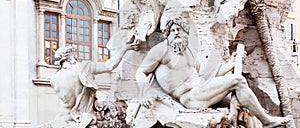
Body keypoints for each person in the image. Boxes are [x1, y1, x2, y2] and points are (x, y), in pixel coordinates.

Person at [136, 16, 291, 127]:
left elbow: (208, 74)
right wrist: (143, 93)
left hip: (202, 88)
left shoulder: (190, 51)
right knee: (237, 81)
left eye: (180, 30)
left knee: (244, 104)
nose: (176, 33)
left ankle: (261, 119)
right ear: (167, 34)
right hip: (189, 97)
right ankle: (267, 121)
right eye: (172, 30)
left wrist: (232, 62)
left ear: (185, 34)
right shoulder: (161, 50)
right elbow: (141, 72)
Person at [49, 44, 132, 128]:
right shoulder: (84, 68)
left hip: (64, 119)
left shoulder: (53, 79)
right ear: (70, 57)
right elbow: (109, 66)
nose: (76, 58)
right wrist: (125, 48)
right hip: (84, 119)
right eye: (74, 56)